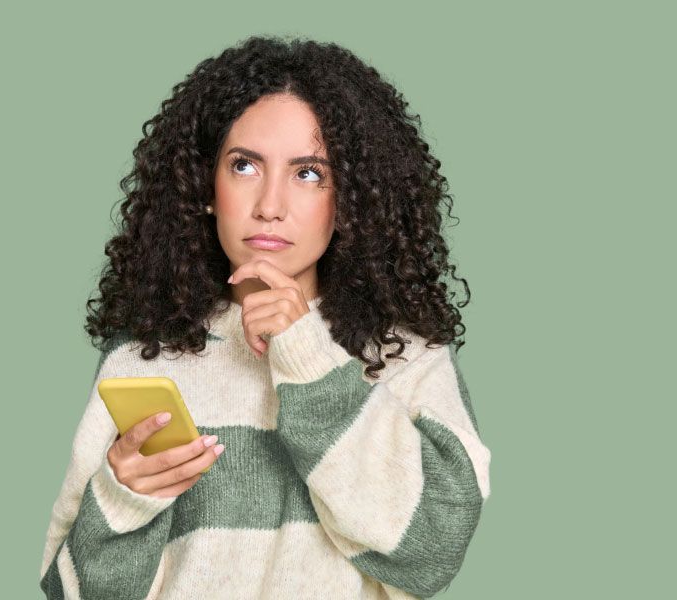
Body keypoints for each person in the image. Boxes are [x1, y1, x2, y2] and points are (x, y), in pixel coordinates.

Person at [39, 34, 491, 600]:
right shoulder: (142, 358)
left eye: (309, 173)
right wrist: (122, 498)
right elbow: (69, 592)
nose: (270, 205)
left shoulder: (404, 355)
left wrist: (306, 354)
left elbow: (432, 555)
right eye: (245, 165)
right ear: (206, 185)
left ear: (349, 199)